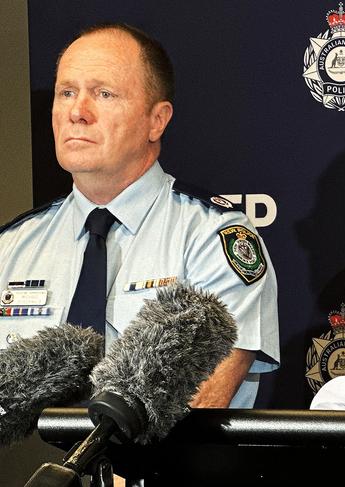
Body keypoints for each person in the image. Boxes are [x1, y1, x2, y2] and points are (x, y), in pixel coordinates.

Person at [0, 23, 280, 409]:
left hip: (160, 469)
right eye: (66, 92)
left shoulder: (213, 237)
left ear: (157, 120)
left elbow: (199, 404)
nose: (77, 112)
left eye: (104, 93)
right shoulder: (12, 246)